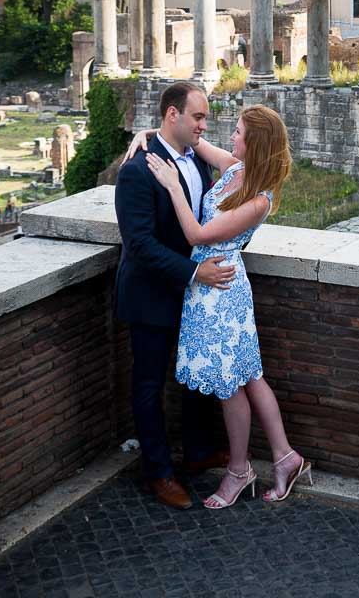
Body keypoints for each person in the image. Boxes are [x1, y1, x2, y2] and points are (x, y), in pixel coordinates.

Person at [128, 104, 312, 510]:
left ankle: (239, 471)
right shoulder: (234, 169)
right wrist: (147, 134)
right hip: (212, 289)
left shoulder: (258, 200)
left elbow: (196, 234)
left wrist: (174, 187)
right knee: (248, 377)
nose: (232, 136)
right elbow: (189, 139)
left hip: (221, 293)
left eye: (240, 132)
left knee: (233, 385)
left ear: (256, 144)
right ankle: (286, 458)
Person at [115, 82, 234, 510]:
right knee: (148, 385)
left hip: (190, 292)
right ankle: (159, 472)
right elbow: (140, 244)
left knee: (195, 375)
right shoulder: (136, 171)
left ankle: (199, 452)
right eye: (199, 117)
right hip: (151, 294)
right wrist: (195, 272)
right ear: (172, 116)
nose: (205, 125)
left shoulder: (195, 158)